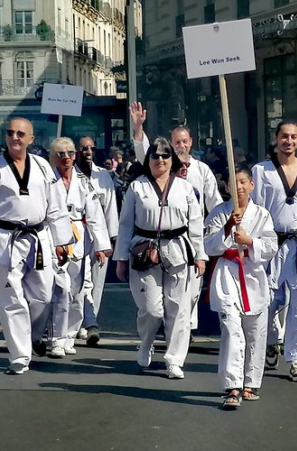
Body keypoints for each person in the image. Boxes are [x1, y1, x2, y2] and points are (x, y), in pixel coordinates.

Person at [0, 117, 71, 376]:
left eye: (21, 134)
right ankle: (20, 356)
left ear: (31, 139)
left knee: (43, 297)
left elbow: (56, 207)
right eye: (11, 133)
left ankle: (33, 335)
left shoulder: (44, 167)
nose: (15, 137)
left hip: (39, 237)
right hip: (5, 239)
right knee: (11, 300)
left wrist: (62, 241)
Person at [114, 137, 207, 379]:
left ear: (172, 159)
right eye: (155, 156)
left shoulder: (185, 187)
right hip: (144, 250)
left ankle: (174, 359)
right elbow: (125, 225)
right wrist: (121, 258)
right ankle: (146, 343)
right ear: (148, 160)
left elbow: (195, 224)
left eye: (165, 156)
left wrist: (200, 255)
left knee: (178, 307)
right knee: (152, 309)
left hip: (177, 248)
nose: (160, 160)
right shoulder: (138, 187)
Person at [130, 102, 222, 335]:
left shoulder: (201, 171)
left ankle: (184, 331)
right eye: (176, 142)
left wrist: (218, 229)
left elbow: (215, 205)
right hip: (161, 241)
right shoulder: (161, 169)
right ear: (171, 144)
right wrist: (139, 128)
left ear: (191, 142)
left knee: (190, 291)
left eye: (184, 141)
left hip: (192, 241)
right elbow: (145, 155)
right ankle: (170, 330)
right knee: (162, 293)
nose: (181, 145)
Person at [251, 121, 297, 383]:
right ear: (276, 138)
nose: (289, 141)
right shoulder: (261, 171)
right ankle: (271, 342)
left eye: (294, 137)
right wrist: (253, 244)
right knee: (269, 300)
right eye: (284, 136)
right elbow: (255, 210)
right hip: (271, 242)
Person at [204, 166, 278, 408]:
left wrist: (249, 241)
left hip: (253, 276)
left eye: (243, 182)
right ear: (226, 187)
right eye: (234, 183)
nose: (239, 187)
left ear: (252, 185)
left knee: (255, 332)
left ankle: (250, 382)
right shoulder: (217, 213)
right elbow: (208, 247)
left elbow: (270, 246)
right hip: (227, 275)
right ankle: (232, 386)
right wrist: (227, 228)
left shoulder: (262, 215)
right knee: (232, 330)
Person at [48, 138, 111, 358]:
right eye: (61, 154)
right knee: (60, 290)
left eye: (70, 153)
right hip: (54, 238)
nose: (66, 157)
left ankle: (70, 335)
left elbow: (95, 215)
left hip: (79, 238)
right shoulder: (47, 181)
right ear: (53, 157)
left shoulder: (84, 182)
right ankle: (56, 338)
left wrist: (101, 245)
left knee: (78, 292)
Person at [76, 136, 119, 346]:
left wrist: (112, 238)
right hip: (76, 234)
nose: (88, 151)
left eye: (91, 148)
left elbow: (110, 207)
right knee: (78, 280)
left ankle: (90, 319)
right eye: (83, 148)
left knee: (96, 282)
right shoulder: (70, 174)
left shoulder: (103, 176)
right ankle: (83, 321)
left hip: (99, 234)